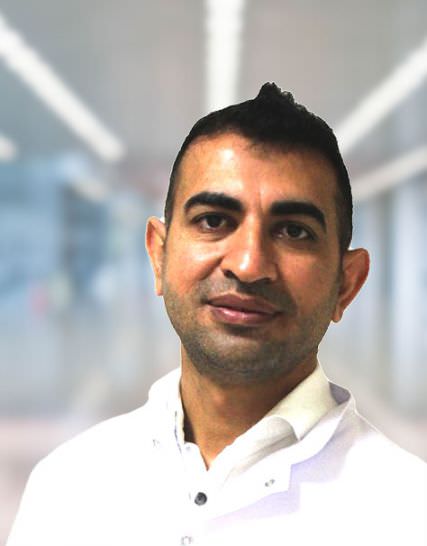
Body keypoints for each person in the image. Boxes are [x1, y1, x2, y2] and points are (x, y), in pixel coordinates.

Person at [7, 83, 426, 546]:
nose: (248, 264)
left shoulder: (409, 514)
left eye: (293, 231)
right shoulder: (66, 489)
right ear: (159, 255)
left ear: (346, 283)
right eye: (213, 220)